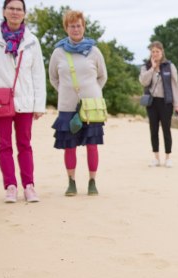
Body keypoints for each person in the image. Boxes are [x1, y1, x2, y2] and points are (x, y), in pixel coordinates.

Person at [0, 0, 46, 203]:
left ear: (24, 14)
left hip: (25, 99)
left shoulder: (32, 41)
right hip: (0, 100)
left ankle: (29, 186)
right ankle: (10, 186)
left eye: (19, 9)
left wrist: (39, 104)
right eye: (11, 8)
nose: (15, 12)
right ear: (4, 11)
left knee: (25, 144)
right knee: (4, 145)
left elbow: (38, 74)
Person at [48, 10, 107, 196]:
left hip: (92, 106)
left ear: (84, 27)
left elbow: (102, 77)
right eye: (72, 26)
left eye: (79, 25)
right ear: (66, 28)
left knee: (92, 145)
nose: (76, 29)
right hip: (67, 106)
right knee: (69, 145)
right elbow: (53, 79)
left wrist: (91, 92)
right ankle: (71, 182)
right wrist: (68, 93)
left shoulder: (94, 51)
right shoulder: (58, 53)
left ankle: (92, 182)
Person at [139, 41, 178, 168]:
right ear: (150, 53)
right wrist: (152, 68)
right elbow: (143, 82)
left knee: (166, 129)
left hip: (166, 102)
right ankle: (156, 157)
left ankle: (168, 157)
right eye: (153, 51)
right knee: (153, 130)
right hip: (152, 103)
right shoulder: (145, 67)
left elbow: (175, 86)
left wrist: (177, 104)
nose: (155, 54)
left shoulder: (169, 66)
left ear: (162, 52)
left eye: (157, 51)